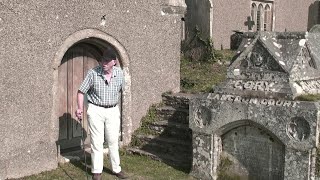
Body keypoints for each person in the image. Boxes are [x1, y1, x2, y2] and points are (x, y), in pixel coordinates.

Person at [75, 50, 127, 180]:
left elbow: (122, 90)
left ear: (113, 62)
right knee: (97, 142)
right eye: (102, 60)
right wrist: (80, 108)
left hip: (113, 110)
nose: (103, 63)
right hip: (96, 110)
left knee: (113, 141)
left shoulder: (120, 74)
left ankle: (116, 169)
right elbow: (81, 92)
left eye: (107, 61)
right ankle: (97, 171)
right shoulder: (93, 73)